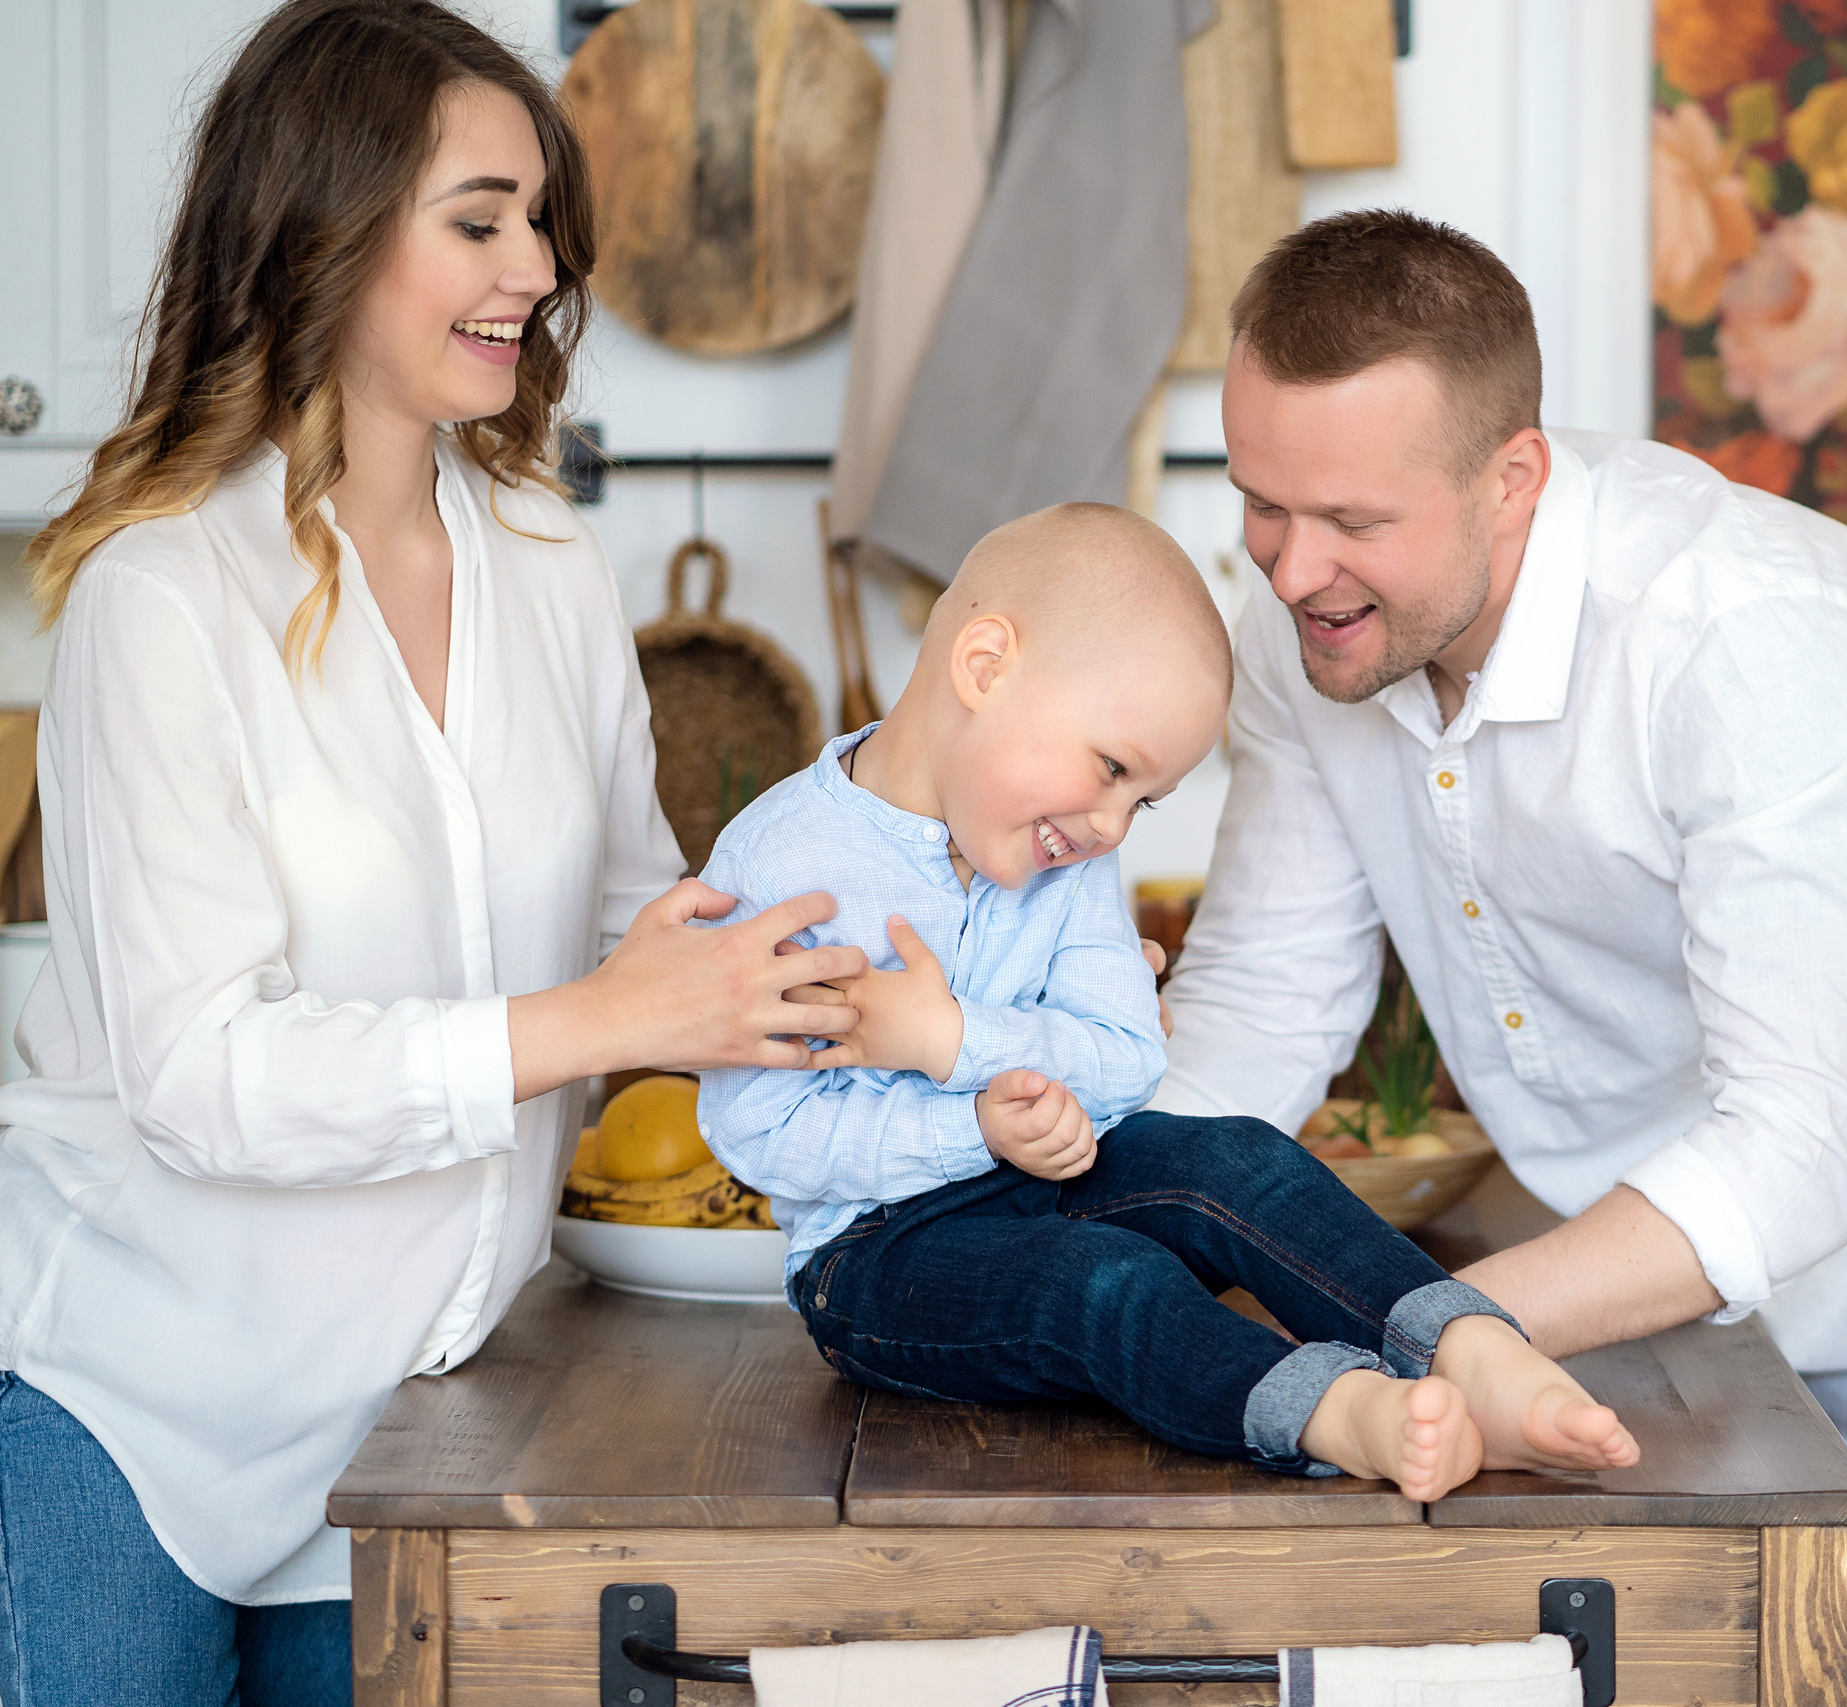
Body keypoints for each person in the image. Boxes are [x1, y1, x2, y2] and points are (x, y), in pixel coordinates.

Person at [0, 5, 876, 1702]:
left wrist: (911, 941)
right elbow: (199, 1072)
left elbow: (644, 913)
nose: (536, 267)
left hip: (420, 1419)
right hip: (135, 1408)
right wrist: (605, 1016)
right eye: (479, 219)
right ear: (319, 231)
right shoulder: (162, 596)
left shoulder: (547, 558)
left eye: (541, 222)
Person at [1154, 210, 1847, 1521]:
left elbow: (1795, 1149)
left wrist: (1413, 1324)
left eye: (1351, 517)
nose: (1291, 570)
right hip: (1709, 1314)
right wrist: (1058, 1236)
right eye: (1259, 503)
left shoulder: (1744, 637)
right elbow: (1261, 1006)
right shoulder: (1311, 620)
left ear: (1512, 476)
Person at [695, 503, 1642, 1500]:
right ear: (984, 668)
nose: (1111, 826)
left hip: (1054, 1177)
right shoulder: (781, 868)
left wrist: (954, 1037)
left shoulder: (1067, 854)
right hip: (874, 1254)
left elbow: (1125, 1058)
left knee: (1235, 1155)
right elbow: (760, 1133)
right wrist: (975, 1122)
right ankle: (1335, 1413)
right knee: (1098, 1279)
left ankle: (1471, 1347)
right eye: (1110, 768)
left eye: (1139, 800)